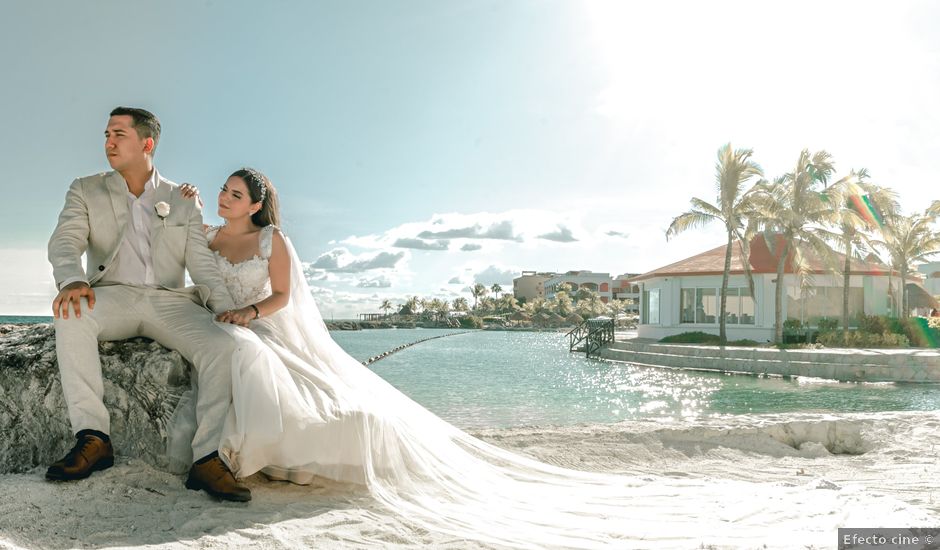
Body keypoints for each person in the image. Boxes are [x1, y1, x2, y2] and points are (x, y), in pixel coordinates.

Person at [47, 107, 252, 502]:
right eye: (106, 134)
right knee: (71, 317)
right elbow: (65, 239)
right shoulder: (85, 188)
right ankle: (93, 438)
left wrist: (226, 311)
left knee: (222, 345)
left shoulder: (182, 199)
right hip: (112, 294)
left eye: (118, 134)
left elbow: (201, 262)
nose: (108, 142)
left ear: (147, 143)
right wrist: (72, 278)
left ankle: (208, 458)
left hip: (168, 299)